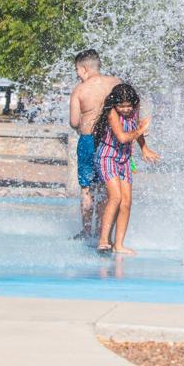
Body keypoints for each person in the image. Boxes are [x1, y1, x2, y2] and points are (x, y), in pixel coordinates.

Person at [92, 83, 158, 255]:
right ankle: (103, 240)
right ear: (114, 104)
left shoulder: (134, 111)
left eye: (129, 105)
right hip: (107, 157)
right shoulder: (112, 113)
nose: (126, 109)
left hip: (125, 159)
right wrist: (141, 129)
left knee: (126, 202)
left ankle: (119, 244)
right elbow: (122, 137)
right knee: (115, 197)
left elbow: (136, 132)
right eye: (121, 106)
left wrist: (144, 148)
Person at [68, 49, 120, 241]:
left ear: (84, 68)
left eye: (77, 71)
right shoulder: (116, 83)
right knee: (108, 188)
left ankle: (87, 230)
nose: (77, 75)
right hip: (112, 141)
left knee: (87, 188)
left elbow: (74, 122)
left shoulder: (80, 90)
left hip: (89, 140)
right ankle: (103, 231)